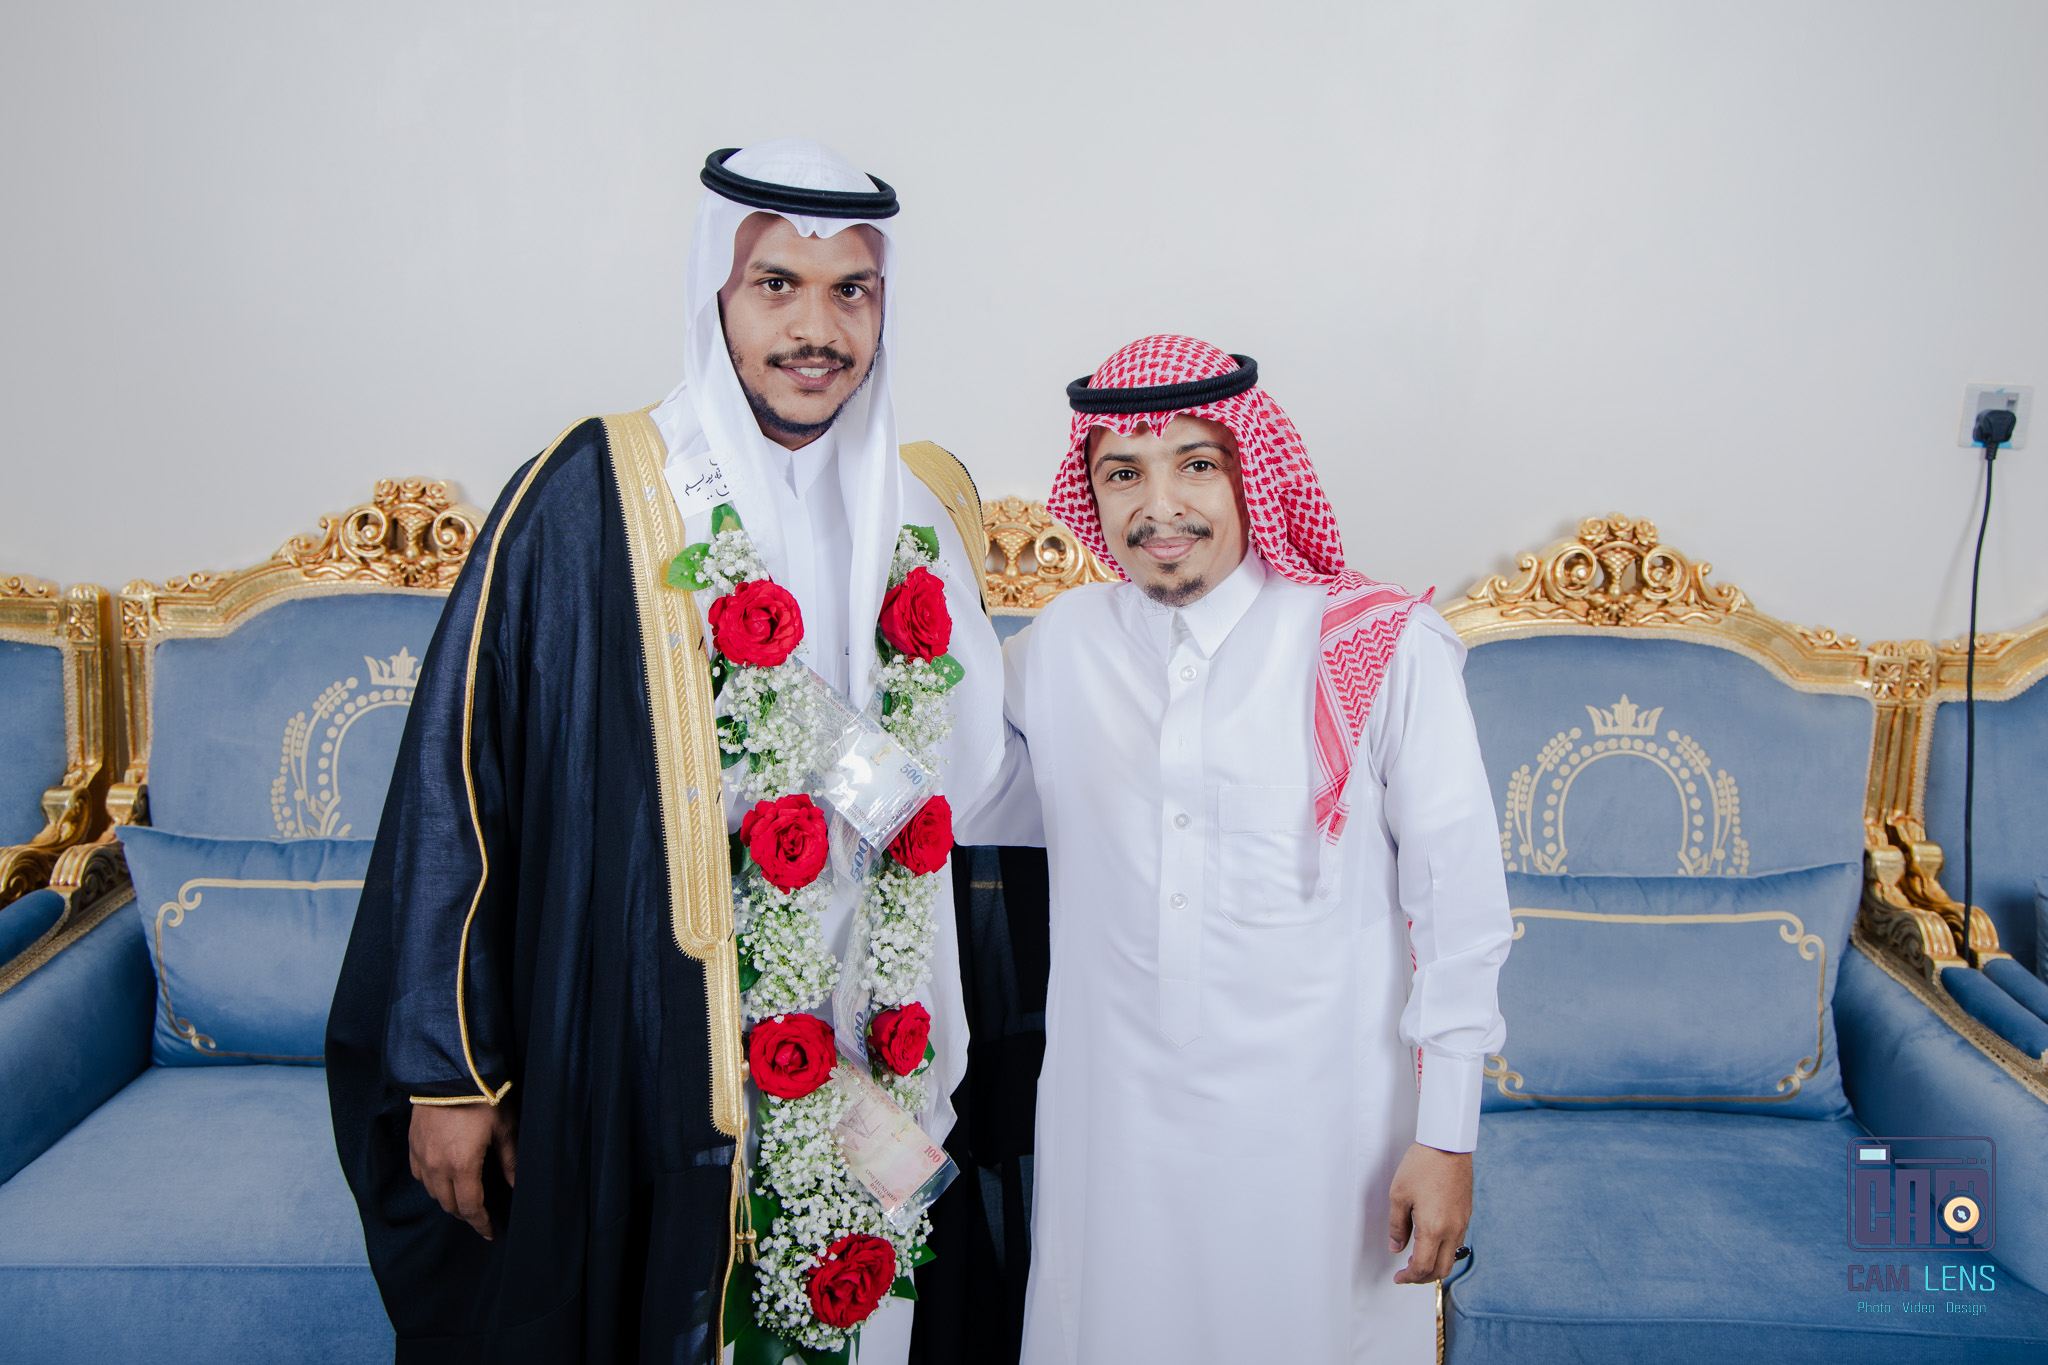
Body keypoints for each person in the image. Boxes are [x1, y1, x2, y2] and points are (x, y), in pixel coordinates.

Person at [327, 140, 1003, 1365]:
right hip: (641, 1031)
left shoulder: (917, 517)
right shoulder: (593, 491)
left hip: (872, 1023)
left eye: (850, 290)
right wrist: (449, 1068)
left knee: (862, 1319)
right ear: (715, 296)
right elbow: (459, 777)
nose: (816, 329)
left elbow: (966, 786)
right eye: (776, 285)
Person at [955, 335, 1514, 1362]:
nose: (1158, 507)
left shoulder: (1377, 645)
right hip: (1114, 1135)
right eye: (1123, 473)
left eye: (1196, 464)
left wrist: (1447, 1135)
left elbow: (1460, 911)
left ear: (1251, 471)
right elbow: (963, 794)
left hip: (1320, 1139)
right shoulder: (1061, 647)